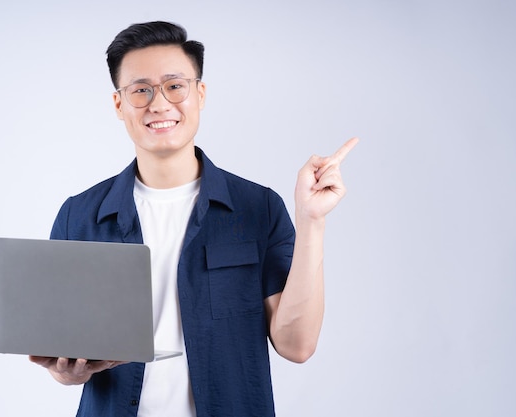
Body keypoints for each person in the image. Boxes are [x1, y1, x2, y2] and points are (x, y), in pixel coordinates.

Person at [30, 21, 358, 417]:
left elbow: (297, 345)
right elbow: (61, 347)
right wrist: (67, 373)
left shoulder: (258, 208)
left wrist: (311, 221)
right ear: (119, 105)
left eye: (174, 85)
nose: (159, 103)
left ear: (199, 94)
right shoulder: (79, 216)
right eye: (140, 90)